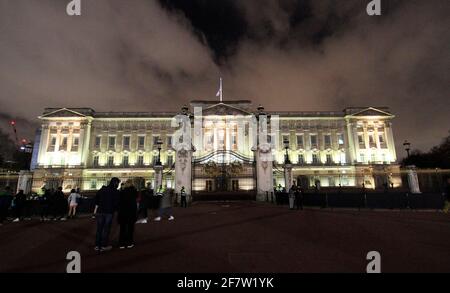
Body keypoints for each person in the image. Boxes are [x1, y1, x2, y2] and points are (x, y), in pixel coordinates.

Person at [94, 177, 120, 252]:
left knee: (99, 229)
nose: (118, 185)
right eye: (117, 183)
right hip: (109, 212)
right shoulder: (115, 191)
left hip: (100, 211)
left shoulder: (102, 189)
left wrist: (99, 204)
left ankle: (97, 245)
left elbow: (96, 199)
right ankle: (103, 245)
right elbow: (117, 202)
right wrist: (115, 208)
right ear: (115, 183)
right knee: (106, 229)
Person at [118, 180, 138, 249]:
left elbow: (119, 203)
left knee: (122, 229)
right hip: (131, 213)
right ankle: (129, 243)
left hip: (123, 212)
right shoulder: (134, 192)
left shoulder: (122, 192)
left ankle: (121, 244)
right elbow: (135, 203)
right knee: (130, 229)